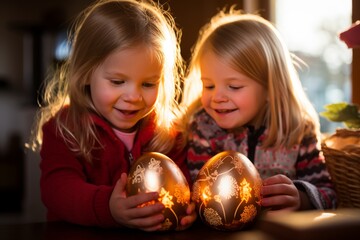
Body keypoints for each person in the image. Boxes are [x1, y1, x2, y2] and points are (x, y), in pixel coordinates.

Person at [28, 0, 196, 231]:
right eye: (118, 82)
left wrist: (187, 209)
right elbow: (57, 189)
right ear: (86, 73)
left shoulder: (168, 133)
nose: (133, 96)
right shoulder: (64, 129)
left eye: (148, 84)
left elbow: (182, 186)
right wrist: (108, 206)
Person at [182, 8, 337, 214]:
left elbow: (329, 195)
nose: (217, 97)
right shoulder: (202, 129)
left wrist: (301, 198)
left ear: (269, 88)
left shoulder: (297, 130)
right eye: (208, 86)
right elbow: (195, 194)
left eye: (234, 87)